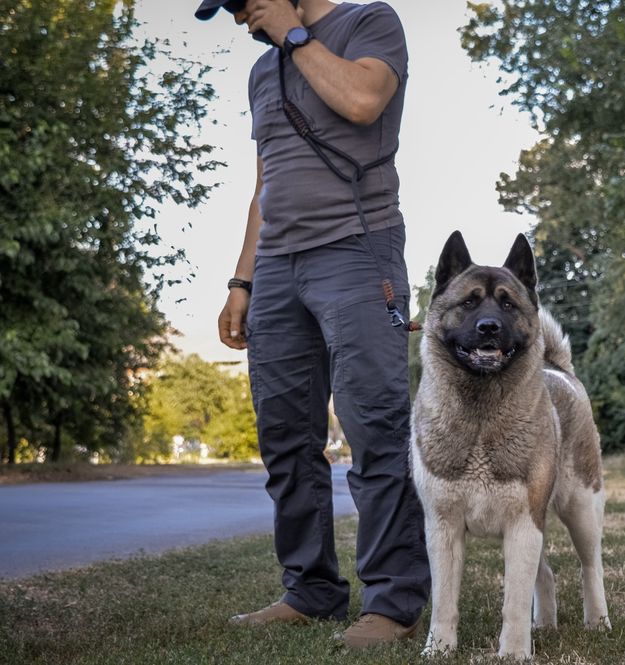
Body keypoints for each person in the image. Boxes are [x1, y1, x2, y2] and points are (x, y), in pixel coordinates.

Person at [195, 0, 430, 648]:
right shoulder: (261, 72)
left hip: (357, 250)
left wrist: (294, 36)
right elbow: (264, 184)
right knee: (284, 436)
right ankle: (312, 589)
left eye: (245, 3)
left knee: (374, 425)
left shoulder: (370, 23)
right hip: (276, 268)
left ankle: (394, 601)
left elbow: (363, 100)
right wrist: (242, 281)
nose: (241, 18)